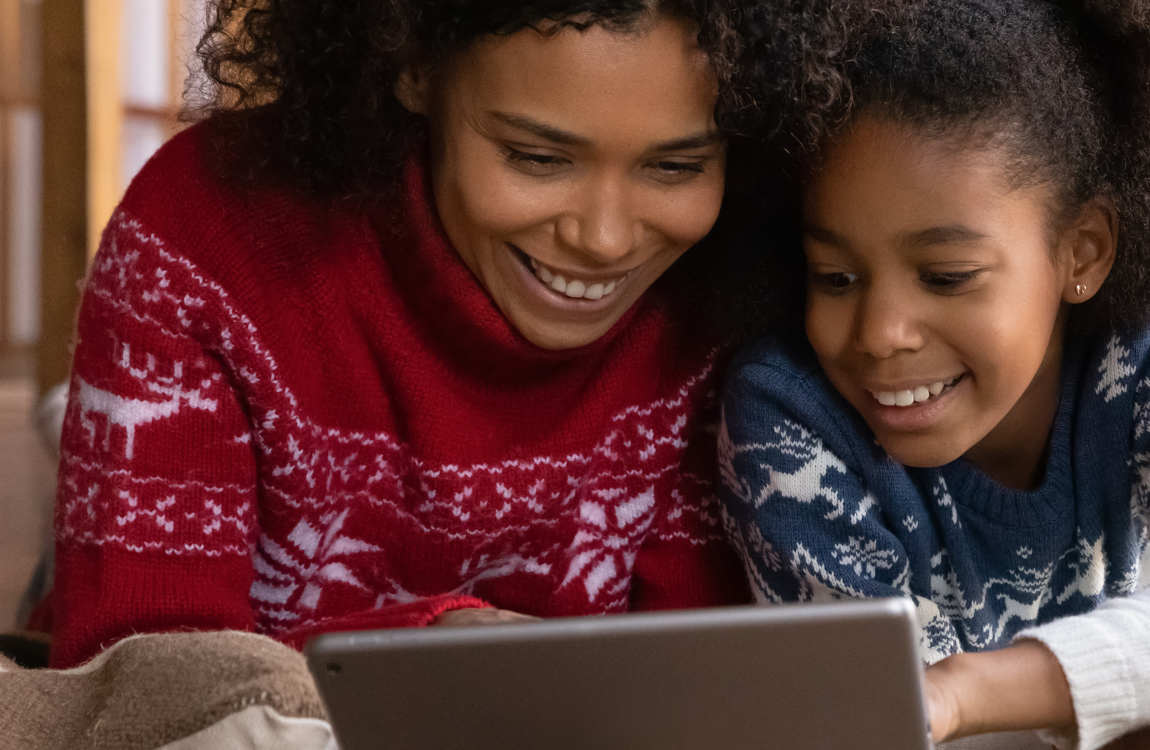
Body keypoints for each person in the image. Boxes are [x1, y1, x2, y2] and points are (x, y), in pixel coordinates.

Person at [46, 0, 797, 668]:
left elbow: (694, 673)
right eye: (536, 158)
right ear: (414, 65)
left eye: (674, 167)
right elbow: (138, 674)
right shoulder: (202, 236)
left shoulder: (734, 279)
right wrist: (440, 650)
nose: (604, 239)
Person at [715, 0, 1150, 747]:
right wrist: (1146, 737)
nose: (881, 335)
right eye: (836, 277)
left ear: (1083, 252)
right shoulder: (784, 418)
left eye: (947, 276)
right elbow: (882, 721)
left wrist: (967, 689)